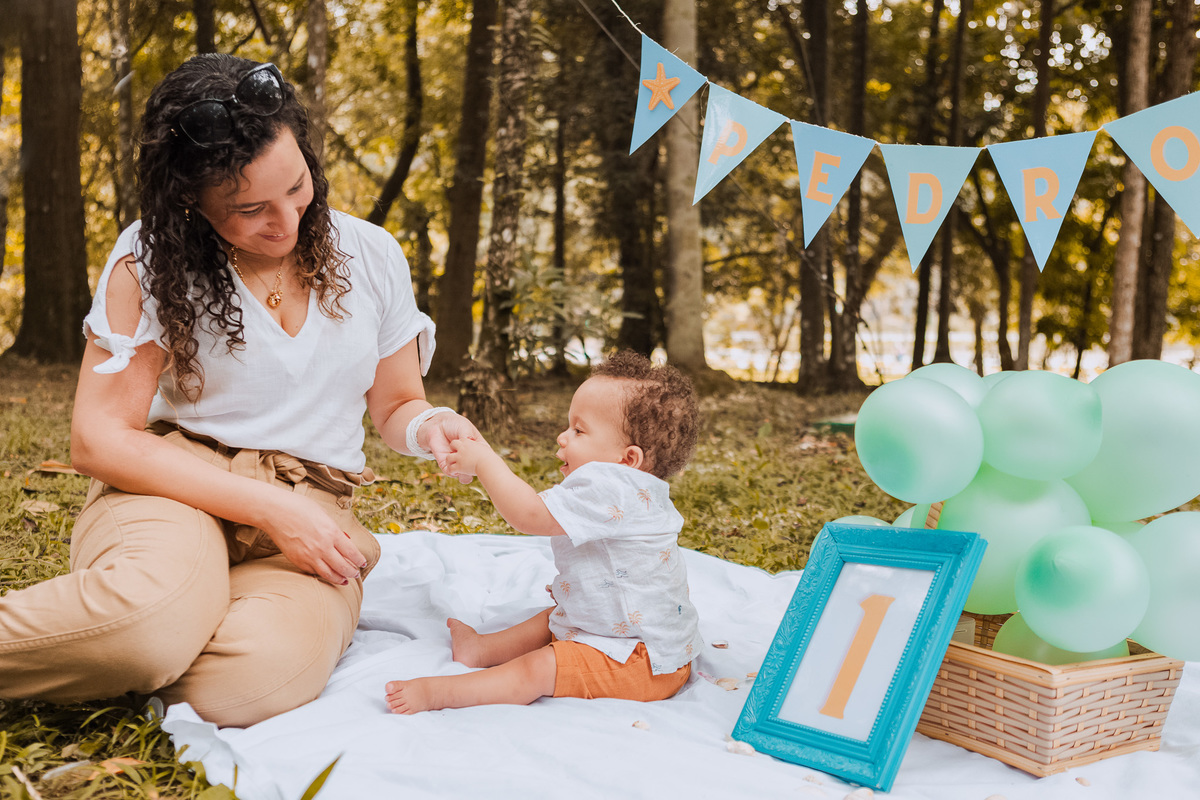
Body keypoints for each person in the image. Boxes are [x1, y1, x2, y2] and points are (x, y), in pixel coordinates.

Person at [0, 54, 479, 727]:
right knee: (147, 629)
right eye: (249, 209)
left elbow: (398, 402)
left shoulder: (372, 255)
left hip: (311, 512)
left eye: (297, 186)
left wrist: (432, 426)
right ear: (191, 202)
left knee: (247, 685)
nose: (284, 220)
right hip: (174, 488)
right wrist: (267, 509)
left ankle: (171, 611)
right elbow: (99, 437)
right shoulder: (150, 259)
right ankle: (156, 615)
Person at [385, 351, 703, 714]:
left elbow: (528, 515)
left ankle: (441, 694)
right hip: (654, 645)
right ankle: (479, 650)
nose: (562, 437)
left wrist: (486, 462)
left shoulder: (612, 486)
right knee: (552, 617)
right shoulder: (641, 490)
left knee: (538, 667)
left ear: (628, 459)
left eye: (579, 430)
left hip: (640, 661)